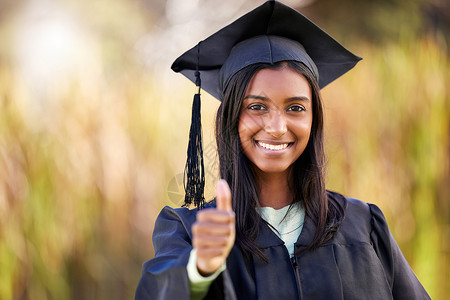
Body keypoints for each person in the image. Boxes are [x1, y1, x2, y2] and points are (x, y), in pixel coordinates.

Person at [135, 1, 430, 299]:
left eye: (296, 107)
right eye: (257, 106)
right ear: (231, 117)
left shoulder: (364, 225)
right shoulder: (190, 232)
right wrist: (200, 269)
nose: (277, 126)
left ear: (314, 118)